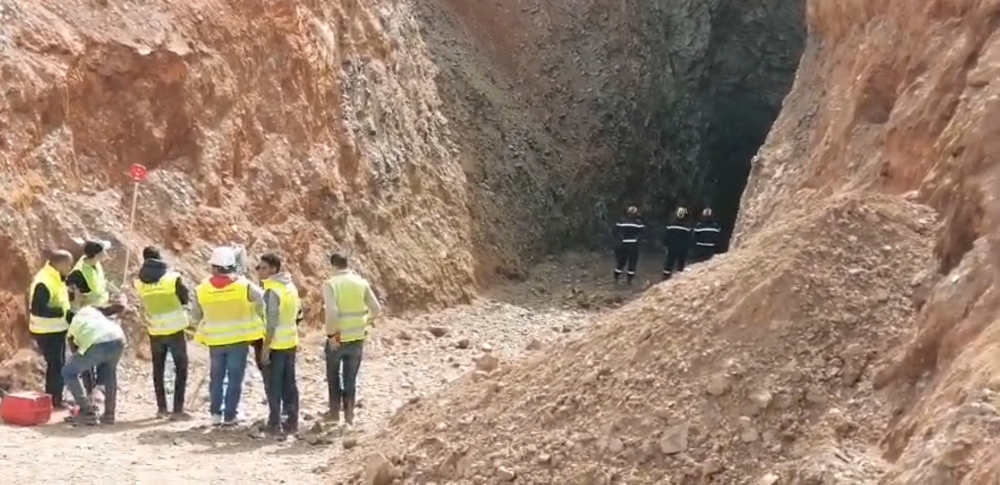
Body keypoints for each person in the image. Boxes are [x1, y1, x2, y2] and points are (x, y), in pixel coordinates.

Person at [190, 246, 266, 426]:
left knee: (216, 378)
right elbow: (263, 300)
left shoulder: (202, 289)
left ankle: (215, 415)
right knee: (235, 378)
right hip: (238, 340)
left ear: (215, 267)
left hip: (215, 341)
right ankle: (230, 415)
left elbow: (194, 317)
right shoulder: (244, 285)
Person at [323, 252, 381, 425]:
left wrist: (332, 336)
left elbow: (332, 312)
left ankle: (334, 414)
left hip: (339, 338)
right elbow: (376, 309)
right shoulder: (361, 283)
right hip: (357, 337)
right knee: (350, 379)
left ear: (333, 265)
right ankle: (349, 417)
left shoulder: (331, 284)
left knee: (333, 376)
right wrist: (366, 322)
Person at [134, 246, 191, 420]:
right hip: (174, 329)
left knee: (158, 369)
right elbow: (185, 298)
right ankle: (178, 410)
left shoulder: (139, 283)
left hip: (155, 330)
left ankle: (161, 409)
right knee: (180, 368)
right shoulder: (172, 278)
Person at [62, 289, 127, 425]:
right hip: (118, 338)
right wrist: (122, 302)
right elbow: (111, 309)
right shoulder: (89, 310)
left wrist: (87, 388)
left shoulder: (72, 330)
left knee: (68, 372)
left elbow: (80, 361)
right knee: (109, 373)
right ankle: (109, 415)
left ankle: (87, 412)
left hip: (98, 342)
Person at [255, 252, 302, 434]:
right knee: (289, 383)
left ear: (273, 269)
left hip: (276, 344)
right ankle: (292, 421)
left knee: (273, 385)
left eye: (263, 268)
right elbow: (299, 313)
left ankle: (275, 423)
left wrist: (265, 348)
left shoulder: (272, 290)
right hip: (290, 341)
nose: (259, 271)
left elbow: (272, 322)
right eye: (259, 268)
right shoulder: (290, 286)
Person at [27, 249, 74, 409]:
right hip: (46, 331)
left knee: (57, 365)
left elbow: (57, 299)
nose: (70, 268)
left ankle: (55, 398)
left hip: (56, 329)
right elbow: (38, 309)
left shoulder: (55, 277)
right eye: (68, 265)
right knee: (56, 366)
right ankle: (55, 400)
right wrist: (61, 312)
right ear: (60, 264)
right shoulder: (44, 281)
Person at [66, 239, 112, 396]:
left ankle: (98, 388)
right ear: (97, 254)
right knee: (87, 354)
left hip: (100, 314)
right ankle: (89, 390)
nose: (107, 254)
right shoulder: (78, 273)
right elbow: (72, 296)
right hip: (87, 318)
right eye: (104, 251)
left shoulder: (95, 265)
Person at [612, 206, 645, 285]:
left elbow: (614, 232)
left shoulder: (621, 222)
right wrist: (639, 241)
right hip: (633, 245)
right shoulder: (638, 223)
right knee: (632, 263)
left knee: (620, 262)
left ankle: (616, 279)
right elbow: (643, 234)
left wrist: (619, 239)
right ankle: (629, 281)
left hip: (622, 244)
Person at [662, 207, 692, 281]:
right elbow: (689, 239)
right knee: (680, 265)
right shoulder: (687, 227)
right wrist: (688, 249)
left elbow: (665, 237)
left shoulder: (670, 226)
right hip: (682, 249)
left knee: (668, 265)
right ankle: (679, 281)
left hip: (671, 248)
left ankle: (664, 280)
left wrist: (665, 246)